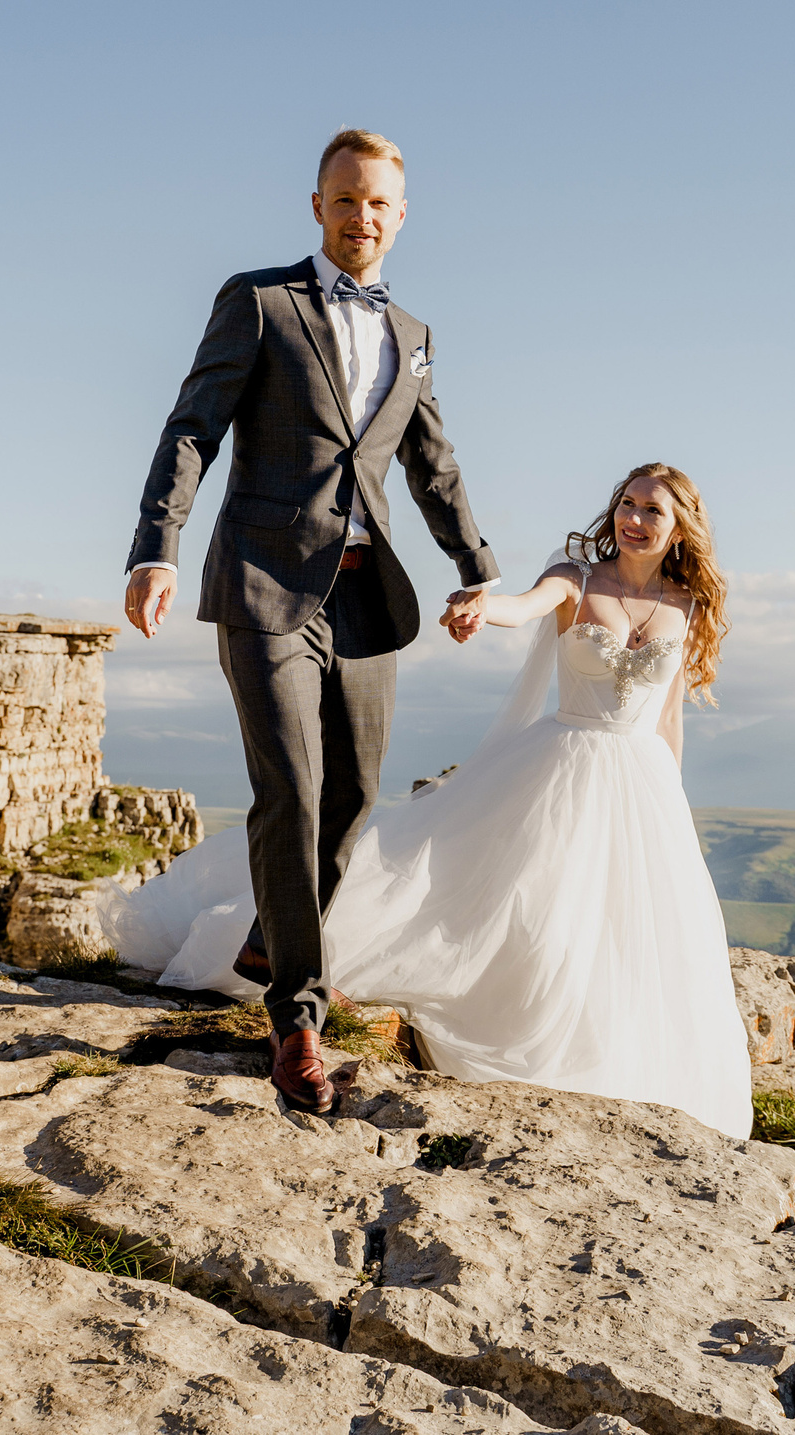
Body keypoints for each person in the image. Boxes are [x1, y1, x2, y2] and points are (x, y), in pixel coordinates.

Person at [107, 464, 753, 1141]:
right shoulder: (578, 577)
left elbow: (669, 716)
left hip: (641, 784)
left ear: (680, 524)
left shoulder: (687, 604)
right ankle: (288, 945)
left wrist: (671, 813)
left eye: (652, 509)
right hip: (563, 765)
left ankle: (614, 1051)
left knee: (624, 928)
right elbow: (527, 604)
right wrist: (480, 607)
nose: (634, 518)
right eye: (626, 502)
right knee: (503, 904)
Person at [123, 128, 499, 1115]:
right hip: (259, 581)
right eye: (344, 199)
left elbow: (433, 468)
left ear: (400, 215)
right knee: (289, 787)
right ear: (317, 204)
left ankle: (271, 935)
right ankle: (295, 1016)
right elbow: (191, 428)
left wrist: (477, 571)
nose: (360, 217)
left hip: (365, 596)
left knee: (354, 794)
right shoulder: (259, 301)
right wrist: (156, 546)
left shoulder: (413, 335)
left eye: (378, 202)